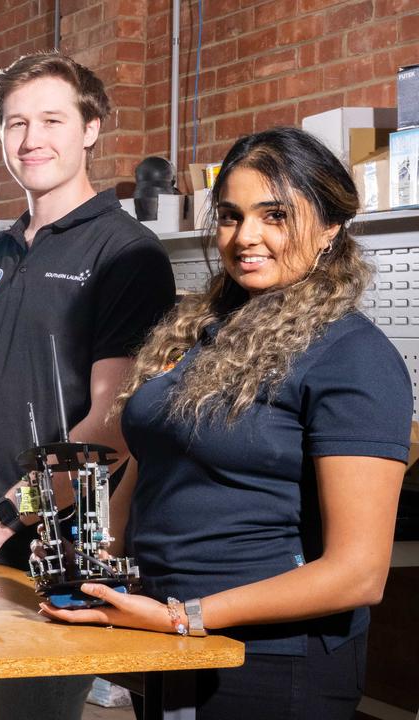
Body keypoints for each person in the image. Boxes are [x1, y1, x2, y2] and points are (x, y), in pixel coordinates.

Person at [41, 127, 410, 720]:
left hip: (271, 662)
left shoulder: (351, 355)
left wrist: (183, 616)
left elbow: (358, 574)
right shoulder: (203, 334)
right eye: (232, 216)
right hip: (166, 638)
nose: (247, 238)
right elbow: (157, 458)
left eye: (276, 216)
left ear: (330, 229)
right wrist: (97, 559)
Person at [0, 51, 176, 720]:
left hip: (53, 550)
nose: (32, 140)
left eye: (52, 119)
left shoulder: (127, 254)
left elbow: (112, 428)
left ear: (91, 128)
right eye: (15, 122)